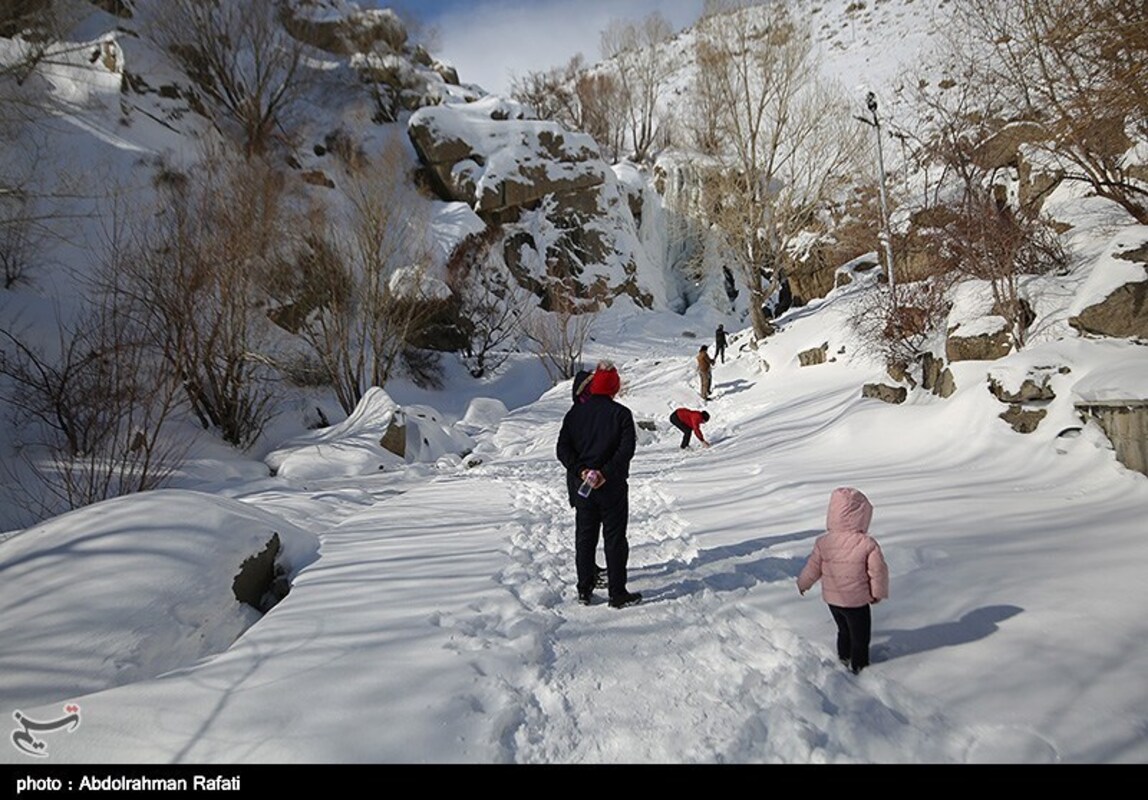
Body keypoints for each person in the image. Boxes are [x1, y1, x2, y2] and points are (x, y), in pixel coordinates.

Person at [557, 362, 642, 609]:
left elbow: (562, 450)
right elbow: (626, 450)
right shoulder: (621, 414)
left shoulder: (575, 414)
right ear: (614, 387)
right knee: (614, 539)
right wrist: (604, 473)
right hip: (612, 487)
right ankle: (617, 594)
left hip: (583, 487)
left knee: (585, 537)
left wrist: (581, 470)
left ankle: (584, 590)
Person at [797, 487, 889, 674]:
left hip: (833, 600)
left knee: (843, 630)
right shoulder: (867, 543)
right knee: (860, 637)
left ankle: (844, 657)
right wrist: (877, 593)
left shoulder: (824, 542)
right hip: (857, 603)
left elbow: (813, 568)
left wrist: (803, 583)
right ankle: (860, 666)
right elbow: (877, 571)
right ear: (863, 515)